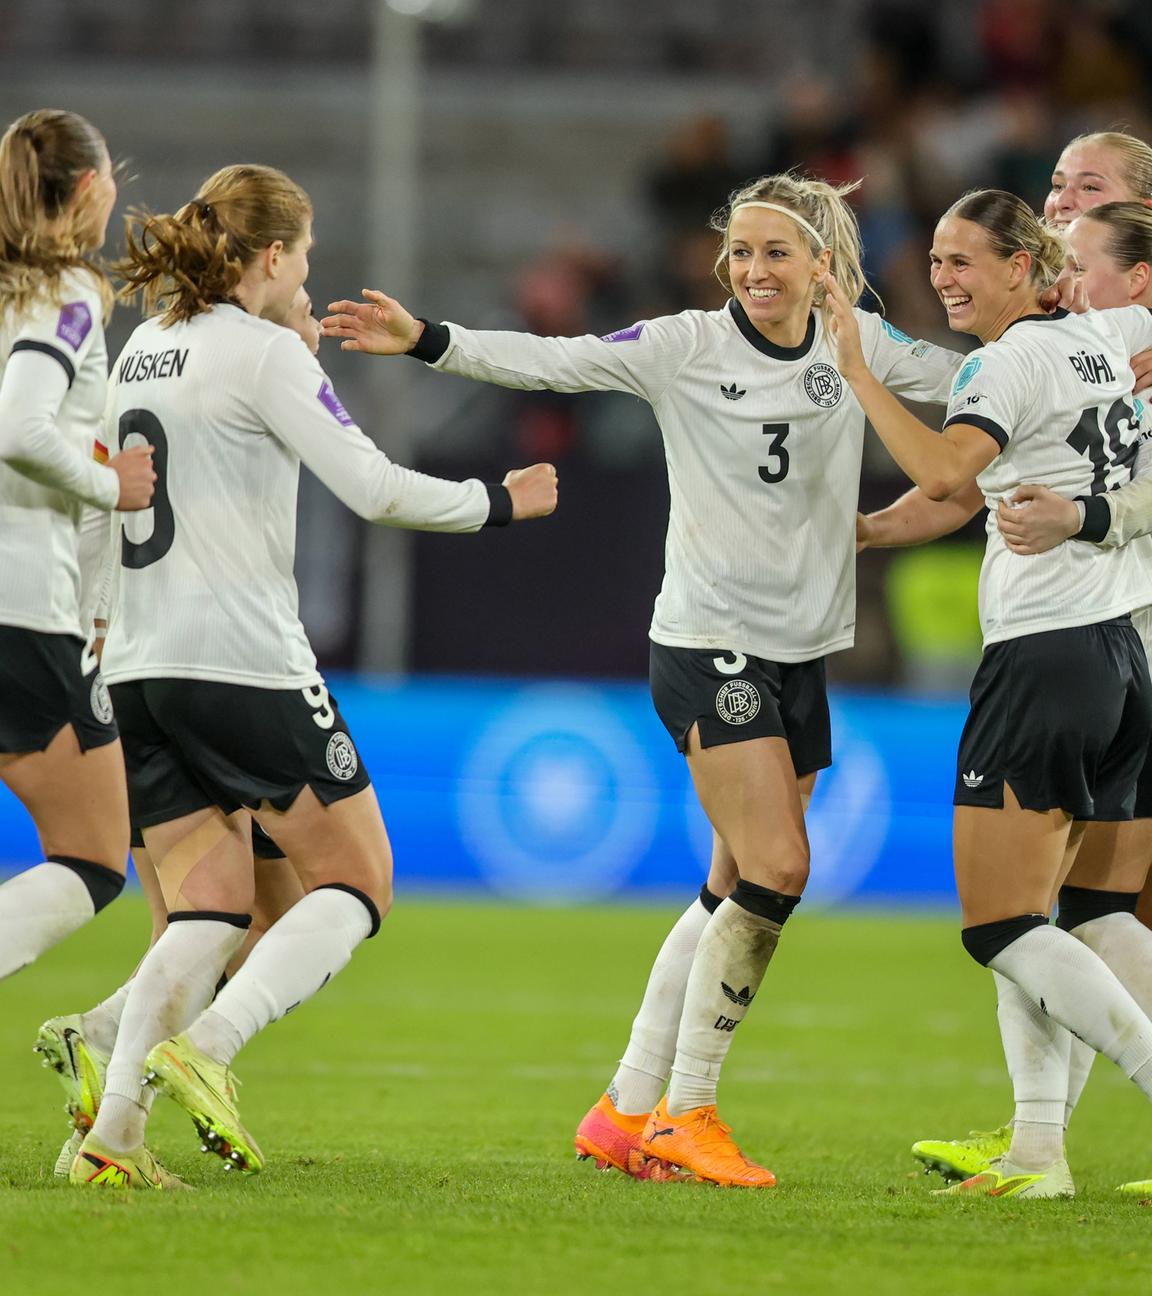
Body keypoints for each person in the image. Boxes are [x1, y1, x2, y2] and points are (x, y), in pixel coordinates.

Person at [321, 172, 966, 1187]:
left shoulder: (865, 352)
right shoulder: (684, 346)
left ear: (824, 267)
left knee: (732, 887)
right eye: (741, 253)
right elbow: (557, 360)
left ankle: (625, 1109)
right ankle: (688, 1113)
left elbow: (977, 386)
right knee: (780, 866)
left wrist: (1082, 365)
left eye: (776, 251)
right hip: (711, 642)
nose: (754, 270)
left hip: (803, 651)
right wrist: (430, 338)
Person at [68, 163, 557, 1190]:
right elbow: (373, 487)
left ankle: (111, 1133)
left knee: (208, 914)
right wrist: (501, 502)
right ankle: (207, 1050)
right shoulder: (261, 356)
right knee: (358, 880)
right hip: (241, 662)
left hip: (139, 665)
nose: (311, 271)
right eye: (308, 252)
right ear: (274, 255)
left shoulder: (142, 348)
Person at [825, 187, 1152, 1199]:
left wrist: (856, 371)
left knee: (1000, 924)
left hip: (1046, 658)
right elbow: (971, 492)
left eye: (965, 260)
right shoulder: (1101, 342)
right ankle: (1038, 1155)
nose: (944, 277)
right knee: (1061, 913)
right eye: (934, 259)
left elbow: (940, 464)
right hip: (1119, 654)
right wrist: (871, 531)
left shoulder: (1002, 362)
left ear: (1024, 265)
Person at [36, 288, 319, 1177]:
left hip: (134, 666)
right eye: (303, 288)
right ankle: (145, 1087)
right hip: (222, 673)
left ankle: (117, 1084)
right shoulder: (255, 381)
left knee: (206, 917)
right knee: (257, 908)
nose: (313, 307)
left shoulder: (144, 369)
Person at [0, 108, 155, 987]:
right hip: (20, 610)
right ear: (93, 190)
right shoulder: (62, 293)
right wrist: (111, 485)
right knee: (95, 857)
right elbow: (20, 427)